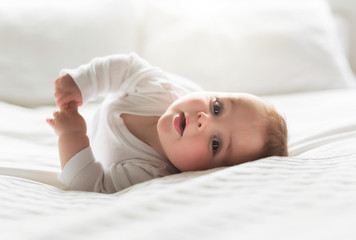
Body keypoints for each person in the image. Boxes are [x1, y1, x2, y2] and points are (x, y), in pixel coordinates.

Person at [47, 53, 288, 193]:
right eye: (217, 107)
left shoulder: (150, 172)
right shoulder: (162, 89)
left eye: (216, 144)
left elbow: (90, 185)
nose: (205, 119)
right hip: (160, 94)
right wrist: (83, 82)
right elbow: (126, 68)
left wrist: (71, 135)